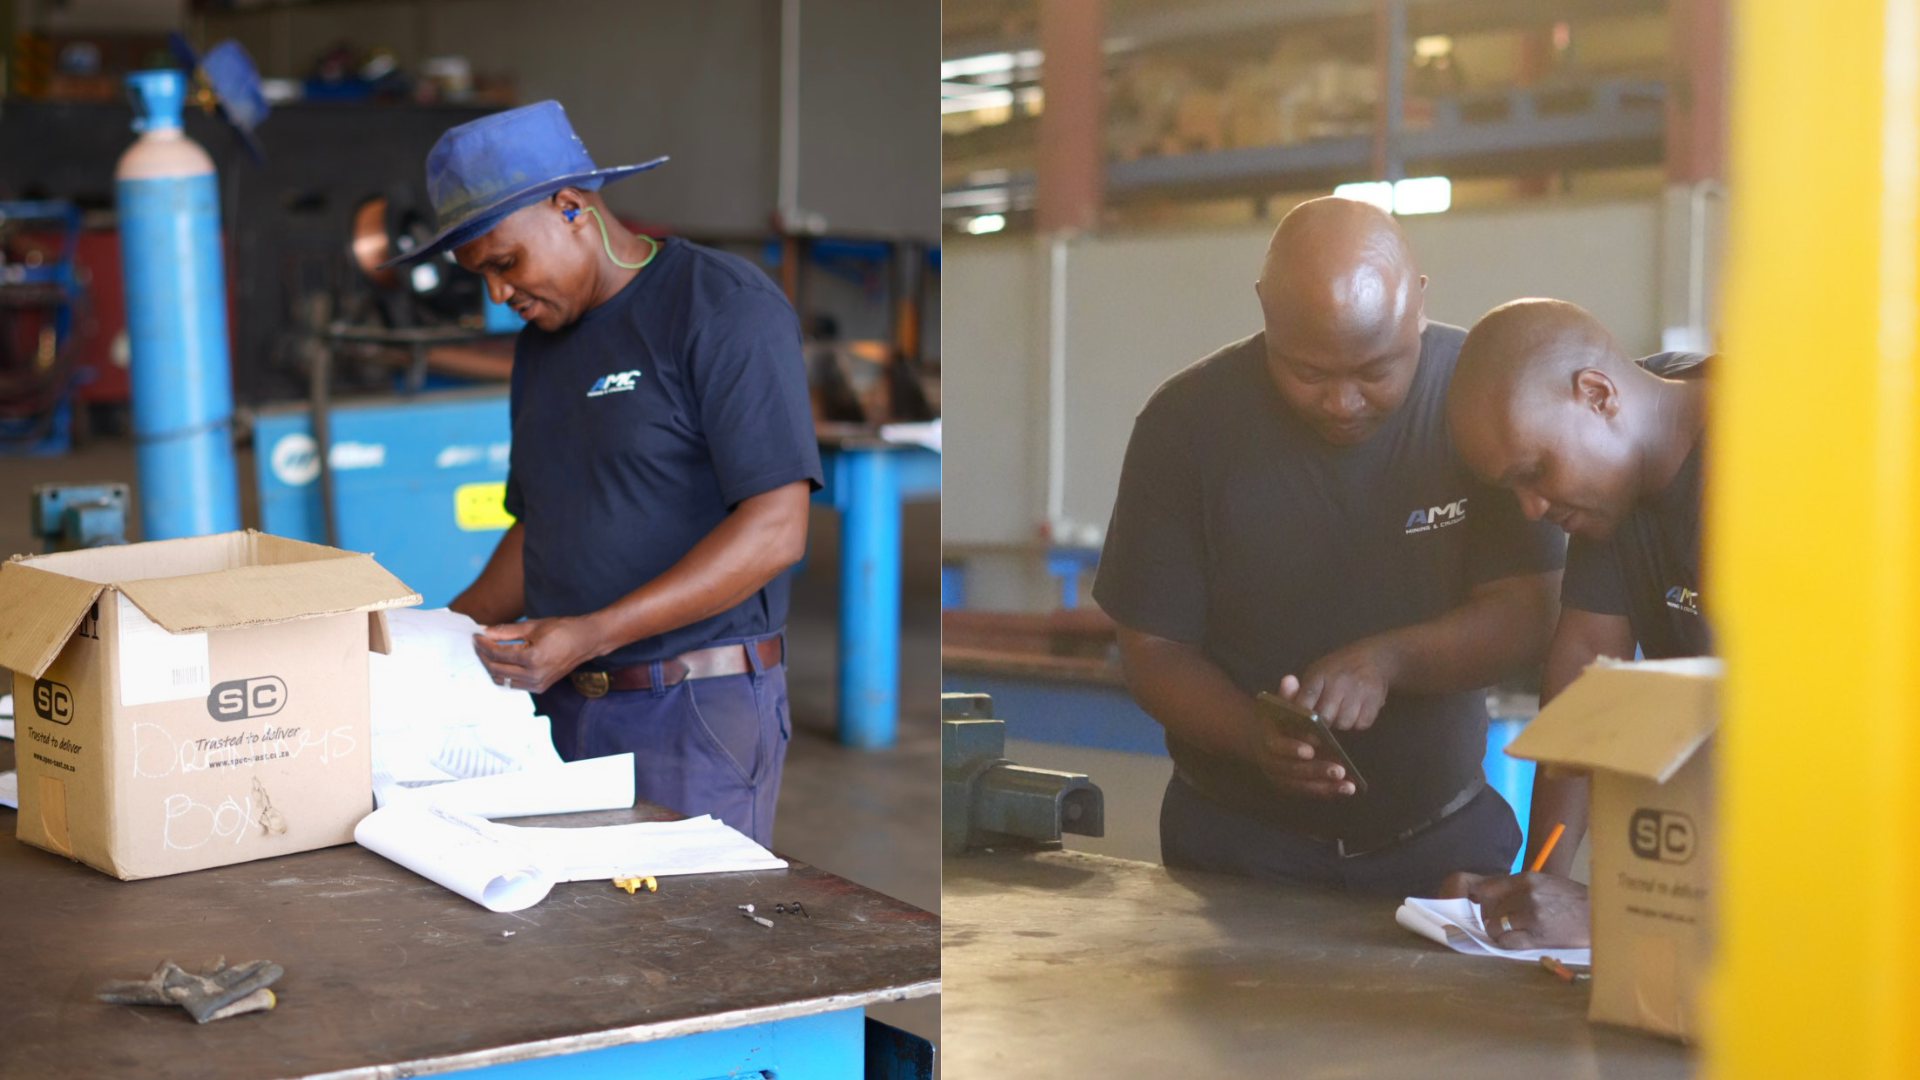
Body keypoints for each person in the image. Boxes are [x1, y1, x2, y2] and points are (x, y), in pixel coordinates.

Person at [1091, 197, 1566, 894]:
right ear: (1264, 311)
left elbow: (1530, 609)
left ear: (1420, 305)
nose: (1342, 402)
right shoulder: (1185, 428)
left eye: (1376, 372)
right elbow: (1155, 651)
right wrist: (1253, 736)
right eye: (1308, 373)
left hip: (1443, 844)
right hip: (1235, 853)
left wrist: (1388, 661)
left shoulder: (1477, 398)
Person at [385, 101, 821, 847]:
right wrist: (425, 640)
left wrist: (591, 634)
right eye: (478, 276)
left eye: (504, 262)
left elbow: (775, 530)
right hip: (557, 711)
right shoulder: (542, 348)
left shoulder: (719, 308)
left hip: (690, 713)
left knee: (683, 948)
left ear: (570, 207)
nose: (497, 294)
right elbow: (543, 525)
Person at [1440, 297, 1710, 947]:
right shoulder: (1621, 480)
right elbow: (1585, 669)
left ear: (1597, 394)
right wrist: (1532, 888)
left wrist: (1613, 918)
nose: (1532, 508)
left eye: (1535, 472)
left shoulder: (1790, 464)